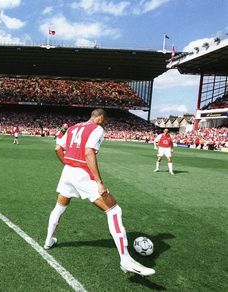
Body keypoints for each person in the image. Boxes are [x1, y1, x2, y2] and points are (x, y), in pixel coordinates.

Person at [44, 108, 155, 277]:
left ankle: (48, 241)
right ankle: (125, 259)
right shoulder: (97, 129)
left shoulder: (73, 127)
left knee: (60, 206)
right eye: (106, 120)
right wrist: (99, 182)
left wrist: (67, 164)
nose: (106, 123)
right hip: (82, 174)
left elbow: (58, 148)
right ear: (100, 117)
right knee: (114, 210)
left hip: (68, 171)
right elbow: (89, 152)